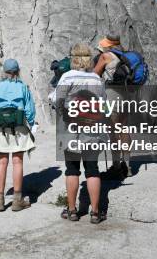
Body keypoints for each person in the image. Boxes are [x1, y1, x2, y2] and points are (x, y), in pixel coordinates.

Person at [50, 43, 106, 224]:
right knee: (92, 170)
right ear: (89, 59)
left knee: (72, 169)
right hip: (92, 129)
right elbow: (103, 104)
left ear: (73, 59)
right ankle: (96, 213)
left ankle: (72, 210)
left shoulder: (67, 76)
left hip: (71, 130)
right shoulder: (96, 79)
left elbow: (57, 100)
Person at [0, 59, 36, 212]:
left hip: (1, 127)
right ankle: (17, 199)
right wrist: (31, 124)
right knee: (17, 161)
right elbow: (30, 110)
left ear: (4, 72)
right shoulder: (23, 88)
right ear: (17, 71)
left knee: (2, 162)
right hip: (18, 127)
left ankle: (0, 199)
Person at [94, 34, 132, 177]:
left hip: (110, 96)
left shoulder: (106, 56)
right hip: (125, 95)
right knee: (124, 128)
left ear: (107, 45)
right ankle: (127, 166)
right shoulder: (124, 56)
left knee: (112, 130)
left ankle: (116, 166)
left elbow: (94, 74)